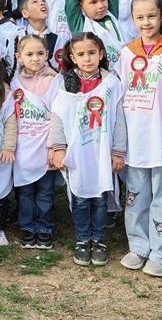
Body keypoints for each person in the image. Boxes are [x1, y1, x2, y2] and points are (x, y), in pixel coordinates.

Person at [117, 0, 162, 278]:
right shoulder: (126, 53)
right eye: (139, 17)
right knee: (135, 197)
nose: (146, 22)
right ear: (132, 19)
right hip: (134, 140)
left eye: (151, 16)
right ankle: (139, 246)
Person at [49, 33, 126, 268]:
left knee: (101, 197)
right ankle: (83, 239)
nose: (87, 59)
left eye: (92, 53)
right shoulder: (64, 83)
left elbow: (119, 119)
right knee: (81, 198)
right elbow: (58, 116)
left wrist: (118, 151)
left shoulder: (111, 83)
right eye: (81, 54)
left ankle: (98, 239)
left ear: (101, 54)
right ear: (72, 57)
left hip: (101, 151)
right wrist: (58, 148)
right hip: (77, 152)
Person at [10, 35, 59, 250]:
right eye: (29, 54)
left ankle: (44, 227)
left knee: (46, 192)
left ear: (47, 55)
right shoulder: (14, 82)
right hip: (23, 146)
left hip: (44, 145)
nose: (35, 59)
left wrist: (54, 146)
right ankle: (27, 227)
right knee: (26, 192)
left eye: (40, 54)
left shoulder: (55, 80)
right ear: (19, 57)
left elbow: (58, 115)